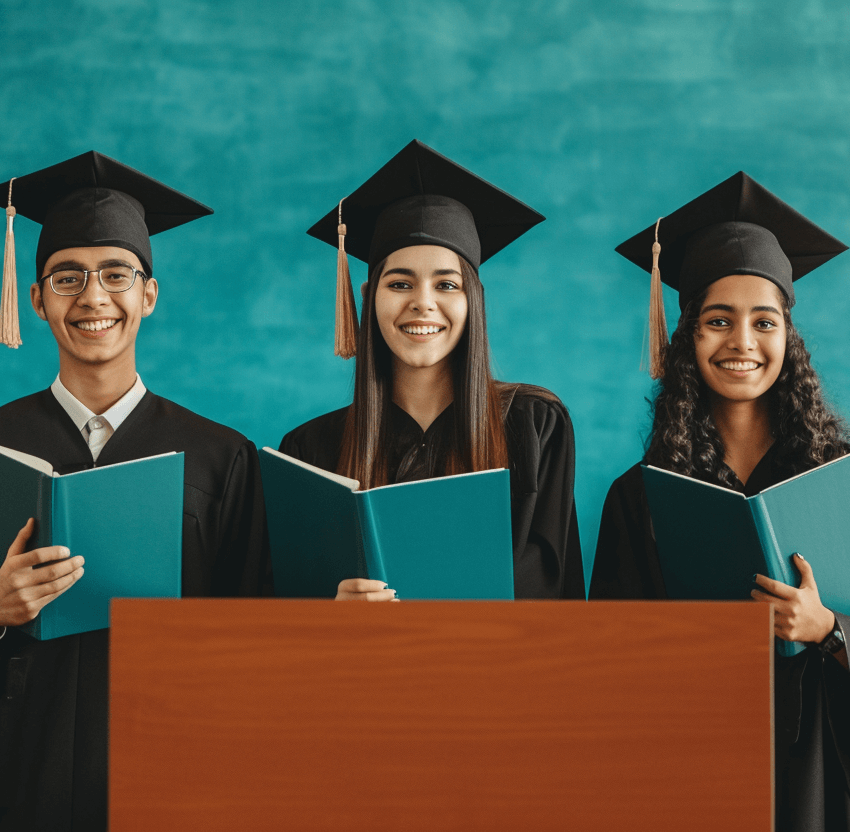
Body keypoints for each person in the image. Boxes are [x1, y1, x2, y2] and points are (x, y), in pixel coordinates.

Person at [0, 152, 271, 831]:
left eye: (116, 275)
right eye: (67, 278)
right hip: (17, 766)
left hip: (173, 766)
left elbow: (251, 636)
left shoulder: (221, 456)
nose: (93, 298)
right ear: (36, 300)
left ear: (149, 294)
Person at [589, 172, 850, 831]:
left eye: (764, 322)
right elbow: (610, 663)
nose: (742, 343)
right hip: (692, 768)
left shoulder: (840, 480)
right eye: (717, 321)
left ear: (788, 338)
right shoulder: (639, 496)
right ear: (686, 339)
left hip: (824, 772)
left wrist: (828, 629)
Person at [280, 140, 583, 600]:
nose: (423, 302)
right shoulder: (311, 452)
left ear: (474, 301)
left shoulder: (534, 425)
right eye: (399, 283)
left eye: (446, 284)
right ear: (368, 298)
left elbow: (555, 594)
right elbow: (286, 619)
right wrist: (329, 612)